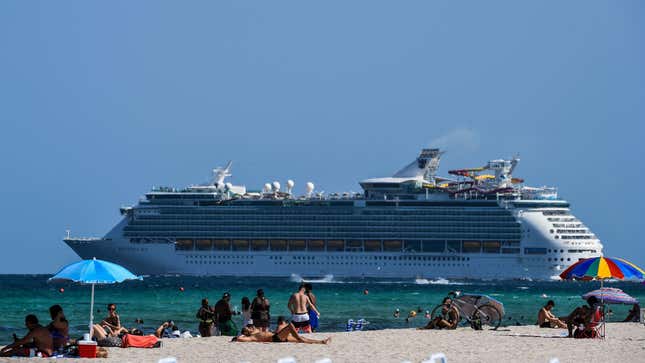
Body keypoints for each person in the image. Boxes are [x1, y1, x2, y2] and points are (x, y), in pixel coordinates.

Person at [234, 323, 330, 344]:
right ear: (246, 332)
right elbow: (240, 339)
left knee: (301, 338)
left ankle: (321, 342)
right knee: (290, 326)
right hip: (276, 339)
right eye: (248, 328)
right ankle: (299, 338)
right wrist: (239, 336)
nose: (251, 328)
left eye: (250, 327)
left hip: (278, 337)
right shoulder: (251, 337)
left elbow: (253, 327)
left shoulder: (255, 330)